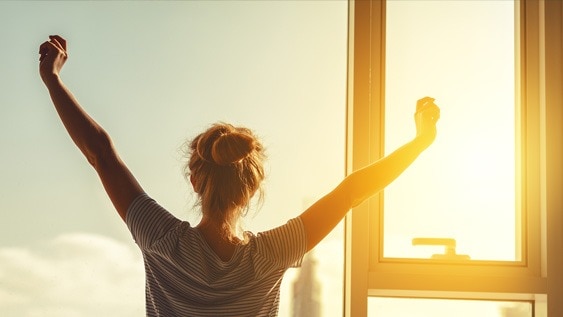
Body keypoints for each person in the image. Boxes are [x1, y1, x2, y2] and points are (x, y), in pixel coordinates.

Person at [39, 35, 440, 317]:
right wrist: (420, 142)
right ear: (251, 190)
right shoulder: (271, 255)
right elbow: (353, 191)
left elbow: (101, 155)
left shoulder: (162, 240)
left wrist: (53, 80)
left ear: (195, 181)